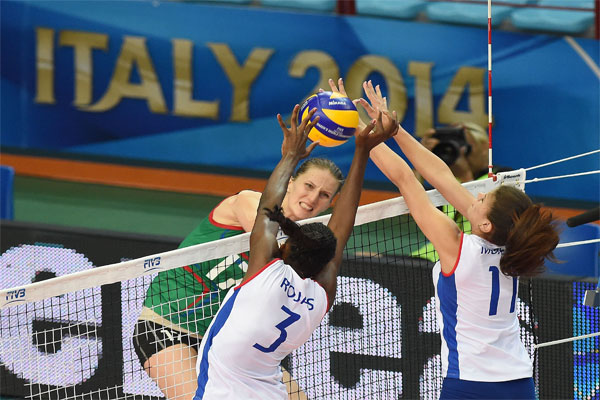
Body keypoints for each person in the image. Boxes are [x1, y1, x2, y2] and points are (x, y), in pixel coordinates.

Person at [343, 77, 559, 399]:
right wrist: (395, 130)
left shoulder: (457, 247)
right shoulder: (513, 247)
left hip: (469, 384)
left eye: (484, 199)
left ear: (486, 224)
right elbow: (442, 176)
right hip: (519, 382)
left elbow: (406, 179)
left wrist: (359, 128)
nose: (478, 195)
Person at [194, 104, 398, 399]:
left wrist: (290, 155)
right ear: (326, 260)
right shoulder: (321, 295)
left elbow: (268, 208)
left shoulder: (265, 273)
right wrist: (362, 151)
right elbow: (342, 228)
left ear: (286, 247)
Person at [134, 134, 345, 398]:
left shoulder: (308, 243)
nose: (312, 198)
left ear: (331, 202)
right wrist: (289, 158)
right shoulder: (247, 201)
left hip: (230, 343)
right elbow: (268, 233)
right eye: (309, 186)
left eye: (324, 195)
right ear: (290, 182)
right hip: (168, 326)